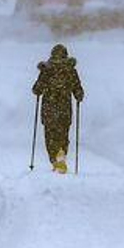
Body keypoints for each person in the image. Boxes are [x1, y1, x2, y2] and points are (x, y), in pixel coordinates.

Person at [32, 44, 84, 174]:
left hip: (48, 109)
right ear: (66, 55)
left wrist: (39, 90)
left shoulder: (46, 70)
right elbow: (78, 89)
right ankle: (61, 153)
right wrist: (78, 96)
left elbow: (37, 89)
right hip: (64, 109)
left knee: (50, 136)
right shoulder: (70, 70)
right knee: (63, 134)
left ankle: (54, 160)